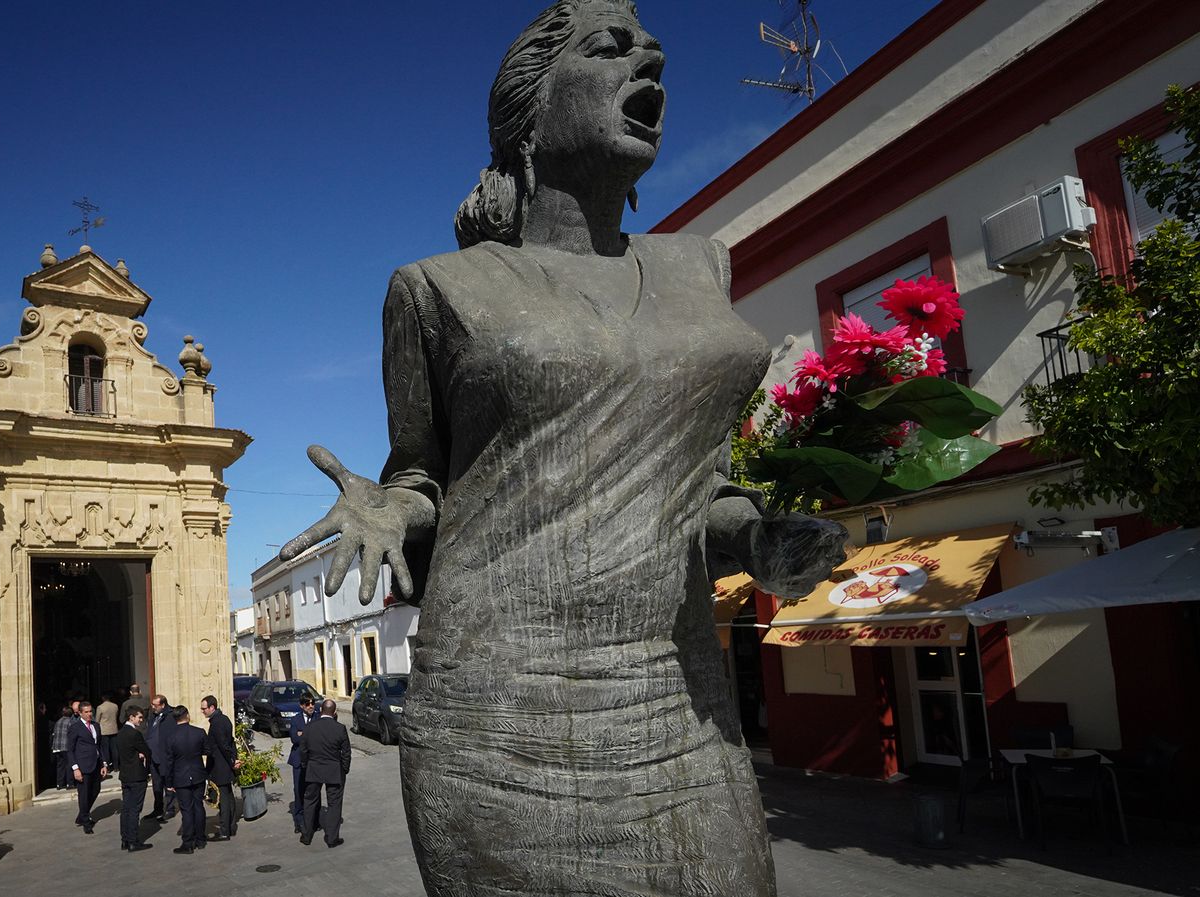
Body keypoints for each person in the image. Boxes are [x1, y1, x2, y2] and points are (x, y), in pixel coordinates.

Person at [277, 3, 847, 893]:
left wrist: (752, 534)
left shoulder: (704, 268)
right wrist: (392, 504)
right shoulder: (437, 289)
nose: (647, 64)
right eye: (611, 50)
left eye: (653, 54)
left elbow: (702, 485)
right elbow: (426, 470)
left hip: (678, 700)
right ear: (530, 115)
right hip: (499, 714)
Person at [299, 699, 350, 849]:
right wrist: (344, 769)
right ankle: (332, 838)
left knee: (309, 802)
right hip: (334, 769)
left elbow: (303, 750)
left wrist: (305, 765)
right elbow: (346, 752)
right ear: (334, 713)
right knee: (334, 804)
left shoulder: (309, 727)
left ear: (321, 710)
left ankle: (307, 835)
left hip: (314, 768)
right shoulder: (340, 728)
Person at [163, 705, 210, 854]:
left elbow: (169, 761)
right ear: (187, 716)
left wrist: (169, 782)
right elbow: (207, 750)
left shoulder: (170, 737)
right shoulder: (199, 732)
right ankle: (201, 839)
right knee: (198, 806)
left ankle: (188, 842)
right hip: (198, 774)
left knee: (186, 810)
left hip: (180, 776)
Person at [200, 694, 240, 841]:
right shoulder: (224, 719)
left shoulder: (217, 723)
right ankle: (230, 827)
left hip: (220, 767)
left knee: (224, 798)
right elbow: (231, 742)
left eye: (204, 708)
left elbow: (224, 745)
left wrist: (232, 761)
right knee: (228, 796)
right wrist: (234, 759)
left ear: (212, 707)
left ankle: (224, 831)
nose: (202, 711)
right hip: (225, 765)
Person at [115, 706, 153, 852]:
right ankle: (133, 841)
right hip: (137, 775)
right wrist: (142, 755)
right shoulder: (134, 734)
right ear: (131, 717)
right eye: (139, 717)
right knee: (134, 810)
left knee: (126, 808)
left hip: (125, 775)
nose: (141, 720)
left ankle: (125, 839)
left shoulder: (120, 733)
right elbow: (147, 751)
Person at [66, 700, 107, 833]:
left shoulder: (96, 726)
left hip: (95, 764)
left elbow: (99, 746)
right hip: (83, 766)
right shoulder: (75, 727)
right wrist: (75, 768)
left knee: (95, 789)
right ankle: (86, 821)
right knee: (84, 794)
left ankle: (81, 815)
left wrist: (103, 763)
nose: (90, 714)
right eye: (87, 712)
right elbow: (70, 749)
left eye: (91, 711)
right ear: (80, 713)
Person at [286, 693, 319, 835]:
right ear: (301, 706)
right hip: (298, 761)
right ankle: (299, 821)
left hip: (314, 761)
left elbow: (318, 737)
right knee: (299, 791)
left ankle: (315, 821)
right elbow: (294, 738)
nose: (311, 706)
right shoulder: (295, 719)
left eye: (312, 703)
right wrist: (307, 734)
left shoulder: (318, 718)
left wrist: (303, 733)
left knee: (315, 791)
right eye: (307, 703)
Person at [143, 694, 177, 821]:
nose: (152, 707)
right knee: (156, 785)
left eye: (155, 705)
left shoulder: (171, 716)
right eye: (152, 704)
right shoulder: (153, 716)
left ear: (163, 705)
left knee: (168, 783)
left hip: (165, 756)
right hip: (153, 756)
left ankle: (170, 808)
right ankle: (157, 808)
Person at [50, 704, 76, 789]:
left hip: (57, 746)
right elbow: (72, 735)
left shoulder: (58, 721)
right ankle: (69, 783)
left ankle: (59, 784)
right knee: (69, 765)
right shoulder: (71, 722)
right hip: (66, 746)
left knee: (60, 766)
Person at [95, 691, 121, 770]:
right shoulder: (115, 706)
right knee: (114, 748)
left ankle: (108, 767)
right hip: (114, 729)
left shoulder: (100, 707)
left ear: (102, 698)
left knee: (105, 750)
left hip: (104, 730)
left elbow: (97, 720)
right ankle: (116, 766)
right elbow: (116, 716)